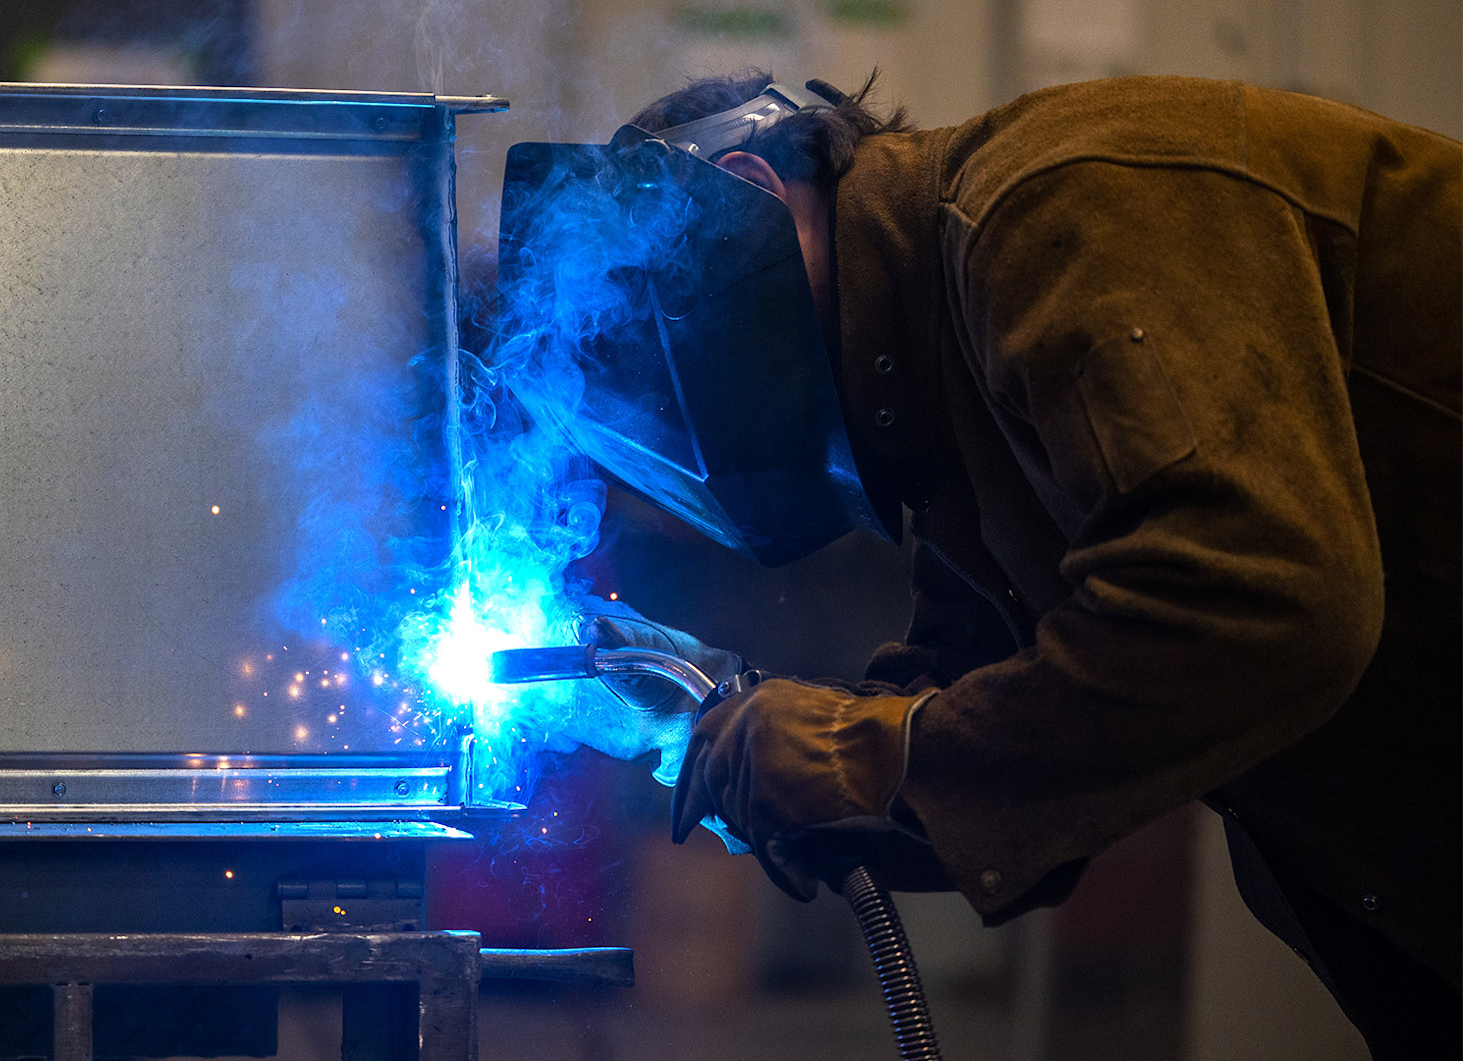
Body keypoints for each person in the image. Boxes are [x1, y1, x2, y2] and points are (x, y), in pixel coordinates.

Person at [539, 72, 1460, 1058]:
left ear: (753, 195)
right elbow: (996, 742)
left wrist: (854, 750)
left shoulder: (1053, 207)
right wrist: (706, 720)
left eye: (650, 360)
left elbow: (1268, 605)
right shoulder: (941, 404)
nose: (672, 431)